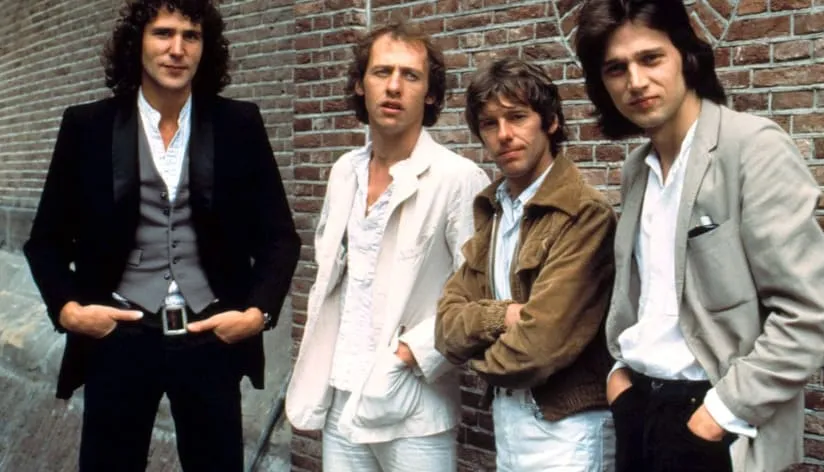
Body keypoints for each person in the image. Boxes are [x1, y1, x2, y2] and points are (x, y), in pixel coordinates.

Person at [23, 1, 301, 470]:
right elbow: (45, 241)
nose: (177, 49)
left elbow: (280, 238)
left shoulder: (238, 124)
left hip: (210, 335)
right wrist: (69, 311)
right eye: (163, 33)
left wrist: (257, 314)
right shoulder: (87, 127)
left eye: (191, 36)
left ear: (205, 48)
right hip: (118, 336)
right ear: (138, 43)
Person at [574, 1, 824, 470]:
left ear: (686, 56)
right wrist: (619, 377)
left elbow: (811, 313)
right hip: (638, 408)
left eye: (650, 58)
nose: (635, 81)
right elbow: (642, 295)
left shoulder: (752, 148)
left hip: (714, 416)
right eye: (616, 68)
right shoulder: (637, 169)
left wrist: (717, 414)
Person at [284, 20, 490, 472]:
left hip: (415, 407)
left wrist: (409, 355)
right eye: (381, 72)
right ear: (361, 85)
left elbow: (480, 293)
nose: (394, 86)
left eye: (410, 75)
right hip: (342, 396)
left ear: (430, 94)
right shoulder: (345, 172)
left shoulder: (458, 178)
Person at [435, 57, 617, 471]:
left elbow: (540, 346)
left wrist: (476, 359)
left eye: (517, 117)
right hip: (509, 419)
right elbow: (445, 328)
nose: (504, 134)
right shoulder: (495, 209)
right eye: (489, 123)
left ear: (550, 121)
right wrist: (504, 315)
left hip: (569, 427)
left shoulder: (583, 213)